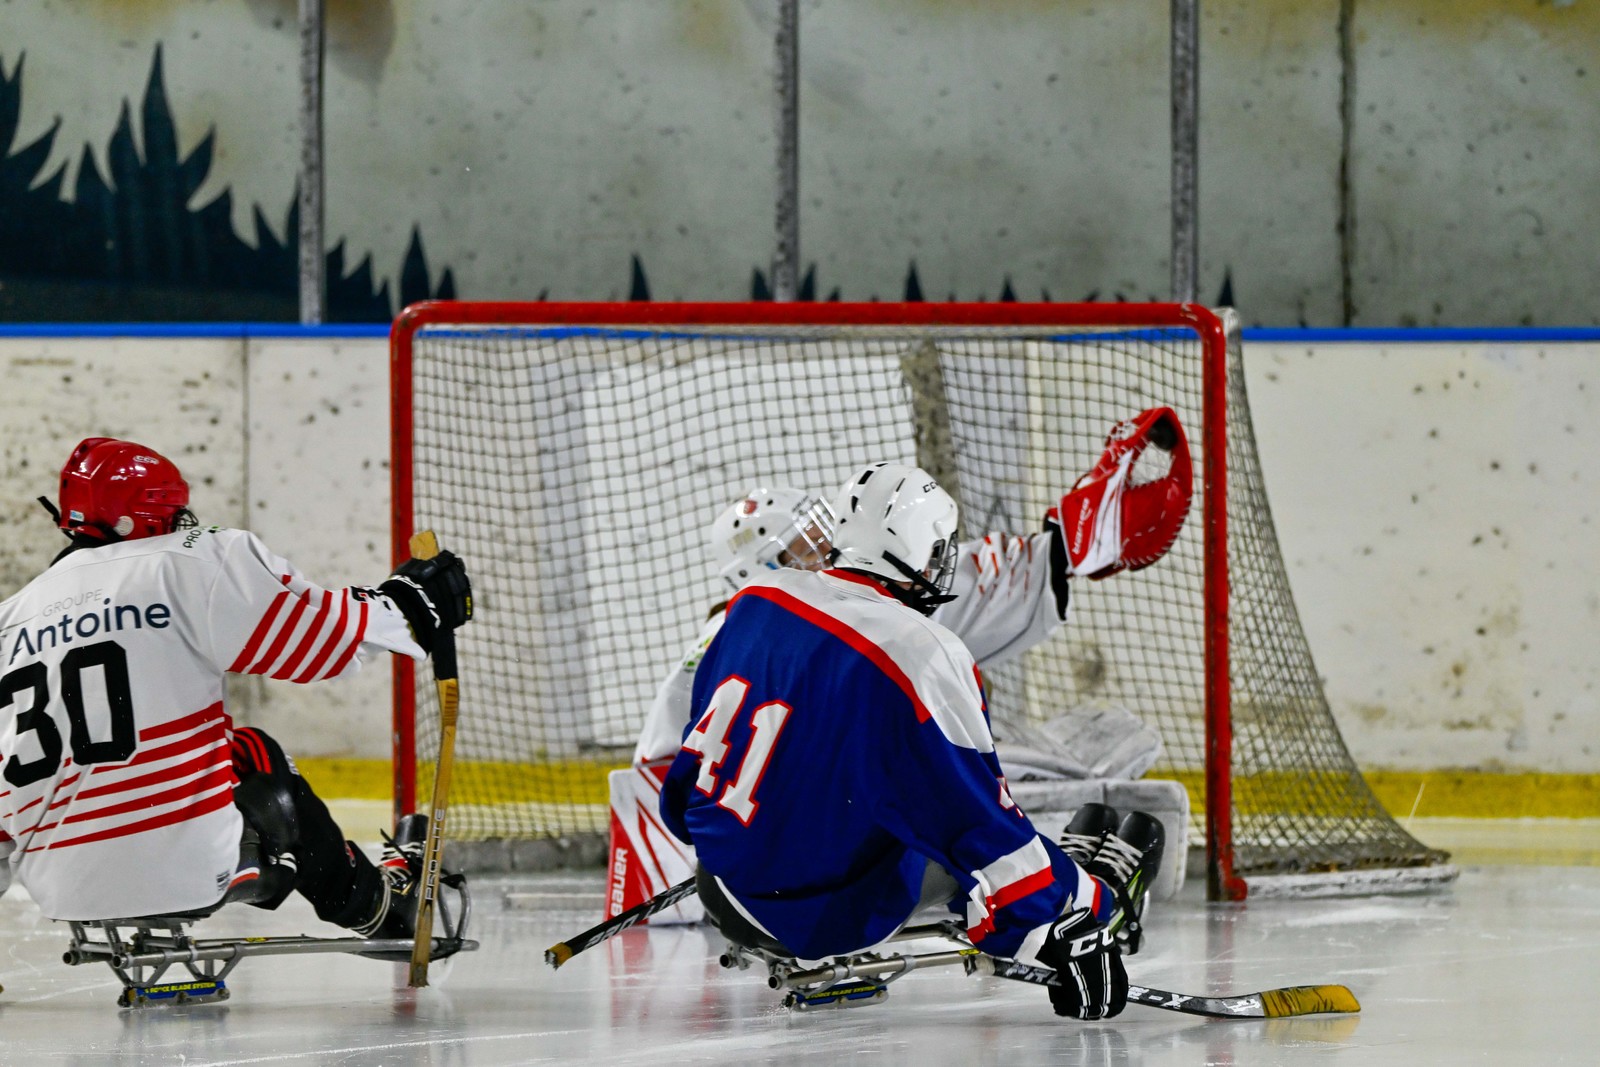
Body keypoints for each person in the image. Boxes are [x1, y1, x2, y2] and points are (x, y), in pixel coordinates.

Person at [608, 408, 1192, 921]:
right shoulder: (812, 623)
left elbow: (672, 783)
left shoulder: (751, 619)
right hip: (820, 874)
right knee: (959, 791)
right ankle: (1061, 903)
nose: (824, 549)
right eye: (801, 546)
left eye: (820, 531)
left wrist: (1060, 547)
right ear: (752, 569)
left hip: (747, 864)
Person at [659, 462, 1166, 1020]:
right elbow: (977, 824)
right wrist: (1058, 923)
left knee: (891, 792)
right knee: (980, 832)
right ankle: (1104, 900)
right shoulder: (922, 653)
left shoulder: (756, 600)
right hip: (810, 910)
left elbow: (695, 756)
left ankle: (1066, 876)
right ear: (922, 550)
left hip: (720, 873)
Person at [0, 437, 471, 943]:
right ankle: (380, 907)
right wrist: (410, 604)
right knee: (254, 753)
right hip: (188, 871)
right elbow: (323, 643)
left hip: (62, 889)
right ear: (145, 516)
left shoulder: (10, 622)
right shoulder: (189, 561)